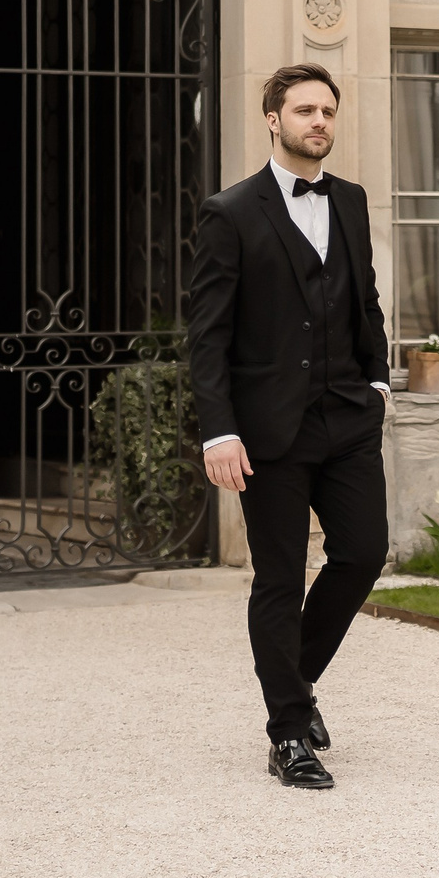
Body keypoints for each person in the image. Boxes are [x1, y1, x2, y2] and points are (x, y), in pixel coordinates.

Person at [187, 62, 392, 789]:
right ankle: (288, 733)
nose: (319, 122)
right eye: (305, 109)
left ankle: (292, 688)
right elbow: (207, 333)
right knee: (279, 578)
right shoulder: (230, 211)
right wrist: (219, 430)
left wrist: (378, 379)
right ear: (273, 119)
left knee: (364, 552)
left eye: (329, 111)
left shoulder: (354, 201)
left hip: (347, 416)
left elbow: (363, 296)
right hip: (266, 430)